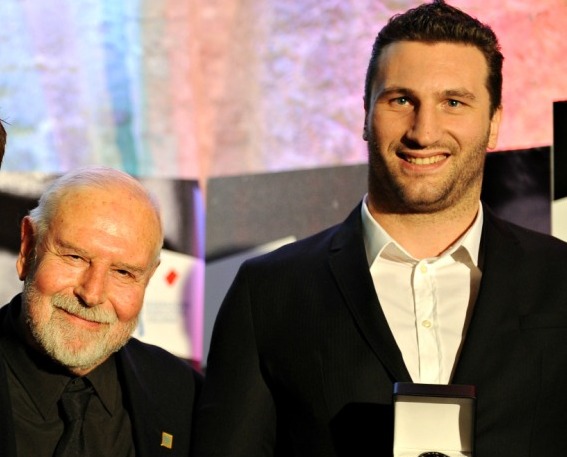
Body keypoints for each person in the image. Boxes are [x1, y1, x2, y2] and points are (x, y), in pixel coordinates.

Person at [192, 1, 567, 456]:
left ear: (493, 123)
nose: (424, 131)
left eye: (453, 102)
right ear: (366, 114)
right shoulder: (269, 291)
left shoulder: (559, 277)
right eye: (401, 100)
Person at [0, 166, 201, 457]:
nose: (92, 294)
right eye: (75, 257)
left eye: (123, 272)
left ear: (149, 278)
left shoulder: (184, 396)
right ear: (28, 247)